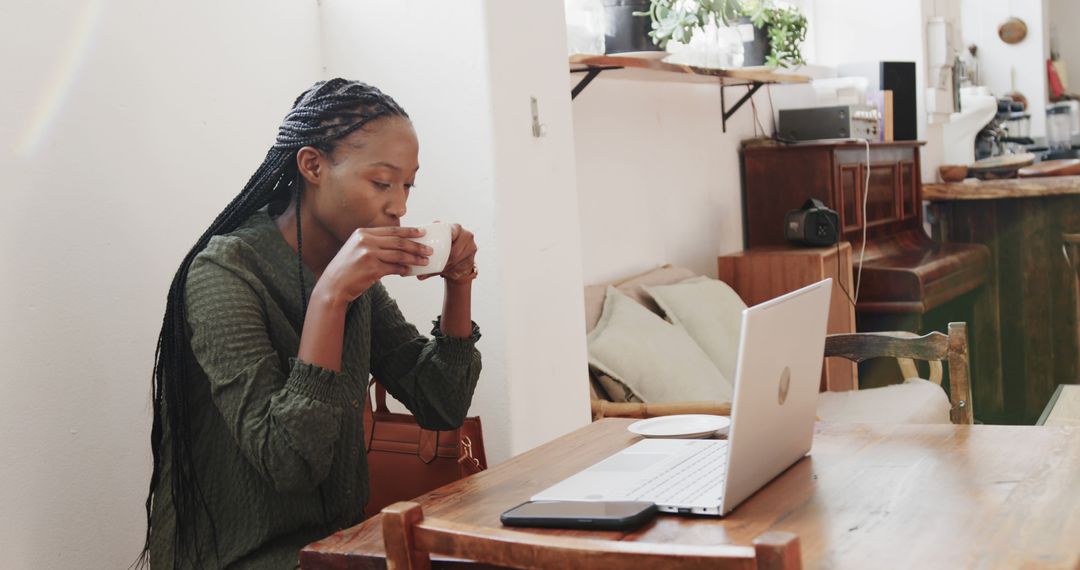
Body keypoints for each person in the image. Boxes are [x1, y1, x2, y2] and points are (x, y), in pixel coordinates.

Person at [139, 79, 482, 568]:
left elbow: (441, 403)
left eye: (408, 184)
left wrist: (459, 281)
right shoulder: (225, 274)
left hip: (337, 549)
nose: (399, 205)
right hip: (244, 558)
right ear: (313, 166)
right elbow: (289, 463)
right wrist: (330, 297)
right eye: (382, 182)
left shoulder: (351, 271)